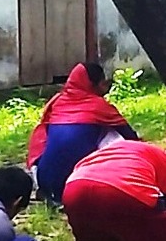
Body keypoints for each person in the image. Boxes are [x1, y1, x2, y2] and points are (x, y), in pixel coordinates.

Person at [26, 63, 138, 204]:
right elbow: (130, 137)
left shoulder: (57, 102)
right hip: (76, 188)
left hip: (45, 181)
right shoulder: (99, 106)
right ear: (93, 85)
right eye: (102, 83)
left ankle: (49, 193)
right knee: (111, 135)